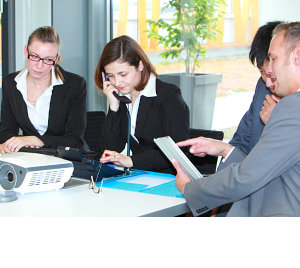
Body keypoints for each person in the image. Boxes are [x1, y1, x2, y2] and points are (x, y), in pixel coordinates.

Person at [172, 22, 300, 216]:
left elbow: (248, 177)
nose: (270, 70)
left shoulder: (292, 106)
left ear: (297, 56)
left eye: (273, 59)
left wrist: (191, 188)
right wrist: (225, 149)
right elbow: (265, 167)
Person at [213, 21, 281, 216]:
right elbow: (241, 140)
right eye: (261, 73)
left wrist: (276, 123)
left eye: (271, 75)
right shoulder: (263, 88)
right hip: (246, 194)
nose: (268, 83)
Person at [95, 35, 189, 173]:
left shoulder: (168, 96)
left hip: (169, 178)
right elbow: (109, 148)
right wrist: (113, 107)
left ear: (140, 65)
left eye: (123, 74)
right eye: (111, 76)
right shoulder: (122, 97)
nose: (117, 82)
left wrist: (132, 161)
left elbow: (176, 150)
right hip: (140, 176)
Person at [0, 26, 88, 153]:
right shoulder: (11, 84)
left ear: (56, 58)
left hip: (67, 158)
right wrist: (16, 143)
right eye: (35, 56)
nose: (39, 65)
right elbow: (6, 131)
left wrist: (38, 140)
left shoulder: (74, 85)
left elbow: (75, 140)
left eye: (48, 59)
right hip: (29, 156)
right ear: (26, 51)